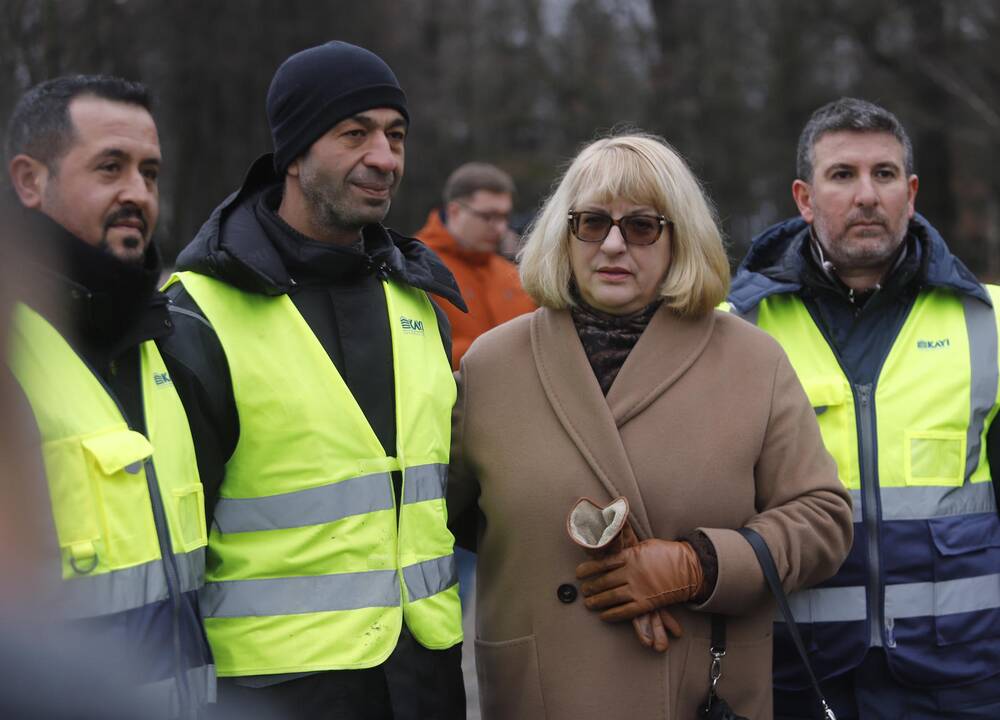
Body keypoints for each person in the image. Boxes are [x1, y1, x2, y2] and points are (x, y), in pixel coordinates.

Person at [446, 132, 853, 719]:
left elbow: (823, 520)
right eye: (591, 223)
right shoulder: (490, 365)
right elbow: (452, 523)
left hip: (699, 692)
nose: (613, 245)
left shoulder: (752, 360)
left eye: (641, 227)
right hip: (538, 693)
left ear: (678, 238)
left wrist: (703, 566)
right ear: (565, 233)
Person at [160, 41, 468, 719]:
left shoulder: (418, 304)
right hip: (273, 691)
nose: (384, 158)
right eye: (354, 133)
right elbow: (167, 548)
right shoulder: (197, 313)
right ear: (294, 154)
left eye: (395, 135)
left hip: (425, 679)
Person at [727, 97, 1000, 718]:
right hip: (794, 672)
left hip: (963, 675)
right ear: (804, 197)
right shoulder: (735, 330)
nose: (867, 195)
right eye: (842, 175)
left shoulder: (990, 323)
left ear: (911, 191)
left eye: (883, 175)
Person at [3, 75, 214, 718]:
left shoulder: (178, 343)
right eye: (110, 168)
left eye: (149, 173)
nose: (137, 194)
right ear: (30, 181)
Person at [415, 162, 535, 369]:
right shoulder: (414, 267)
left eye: (504, 217)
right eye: (488, 217)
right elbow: (413, 353)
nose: (500, 228)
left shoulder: (512, 275)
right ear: (454, 212)